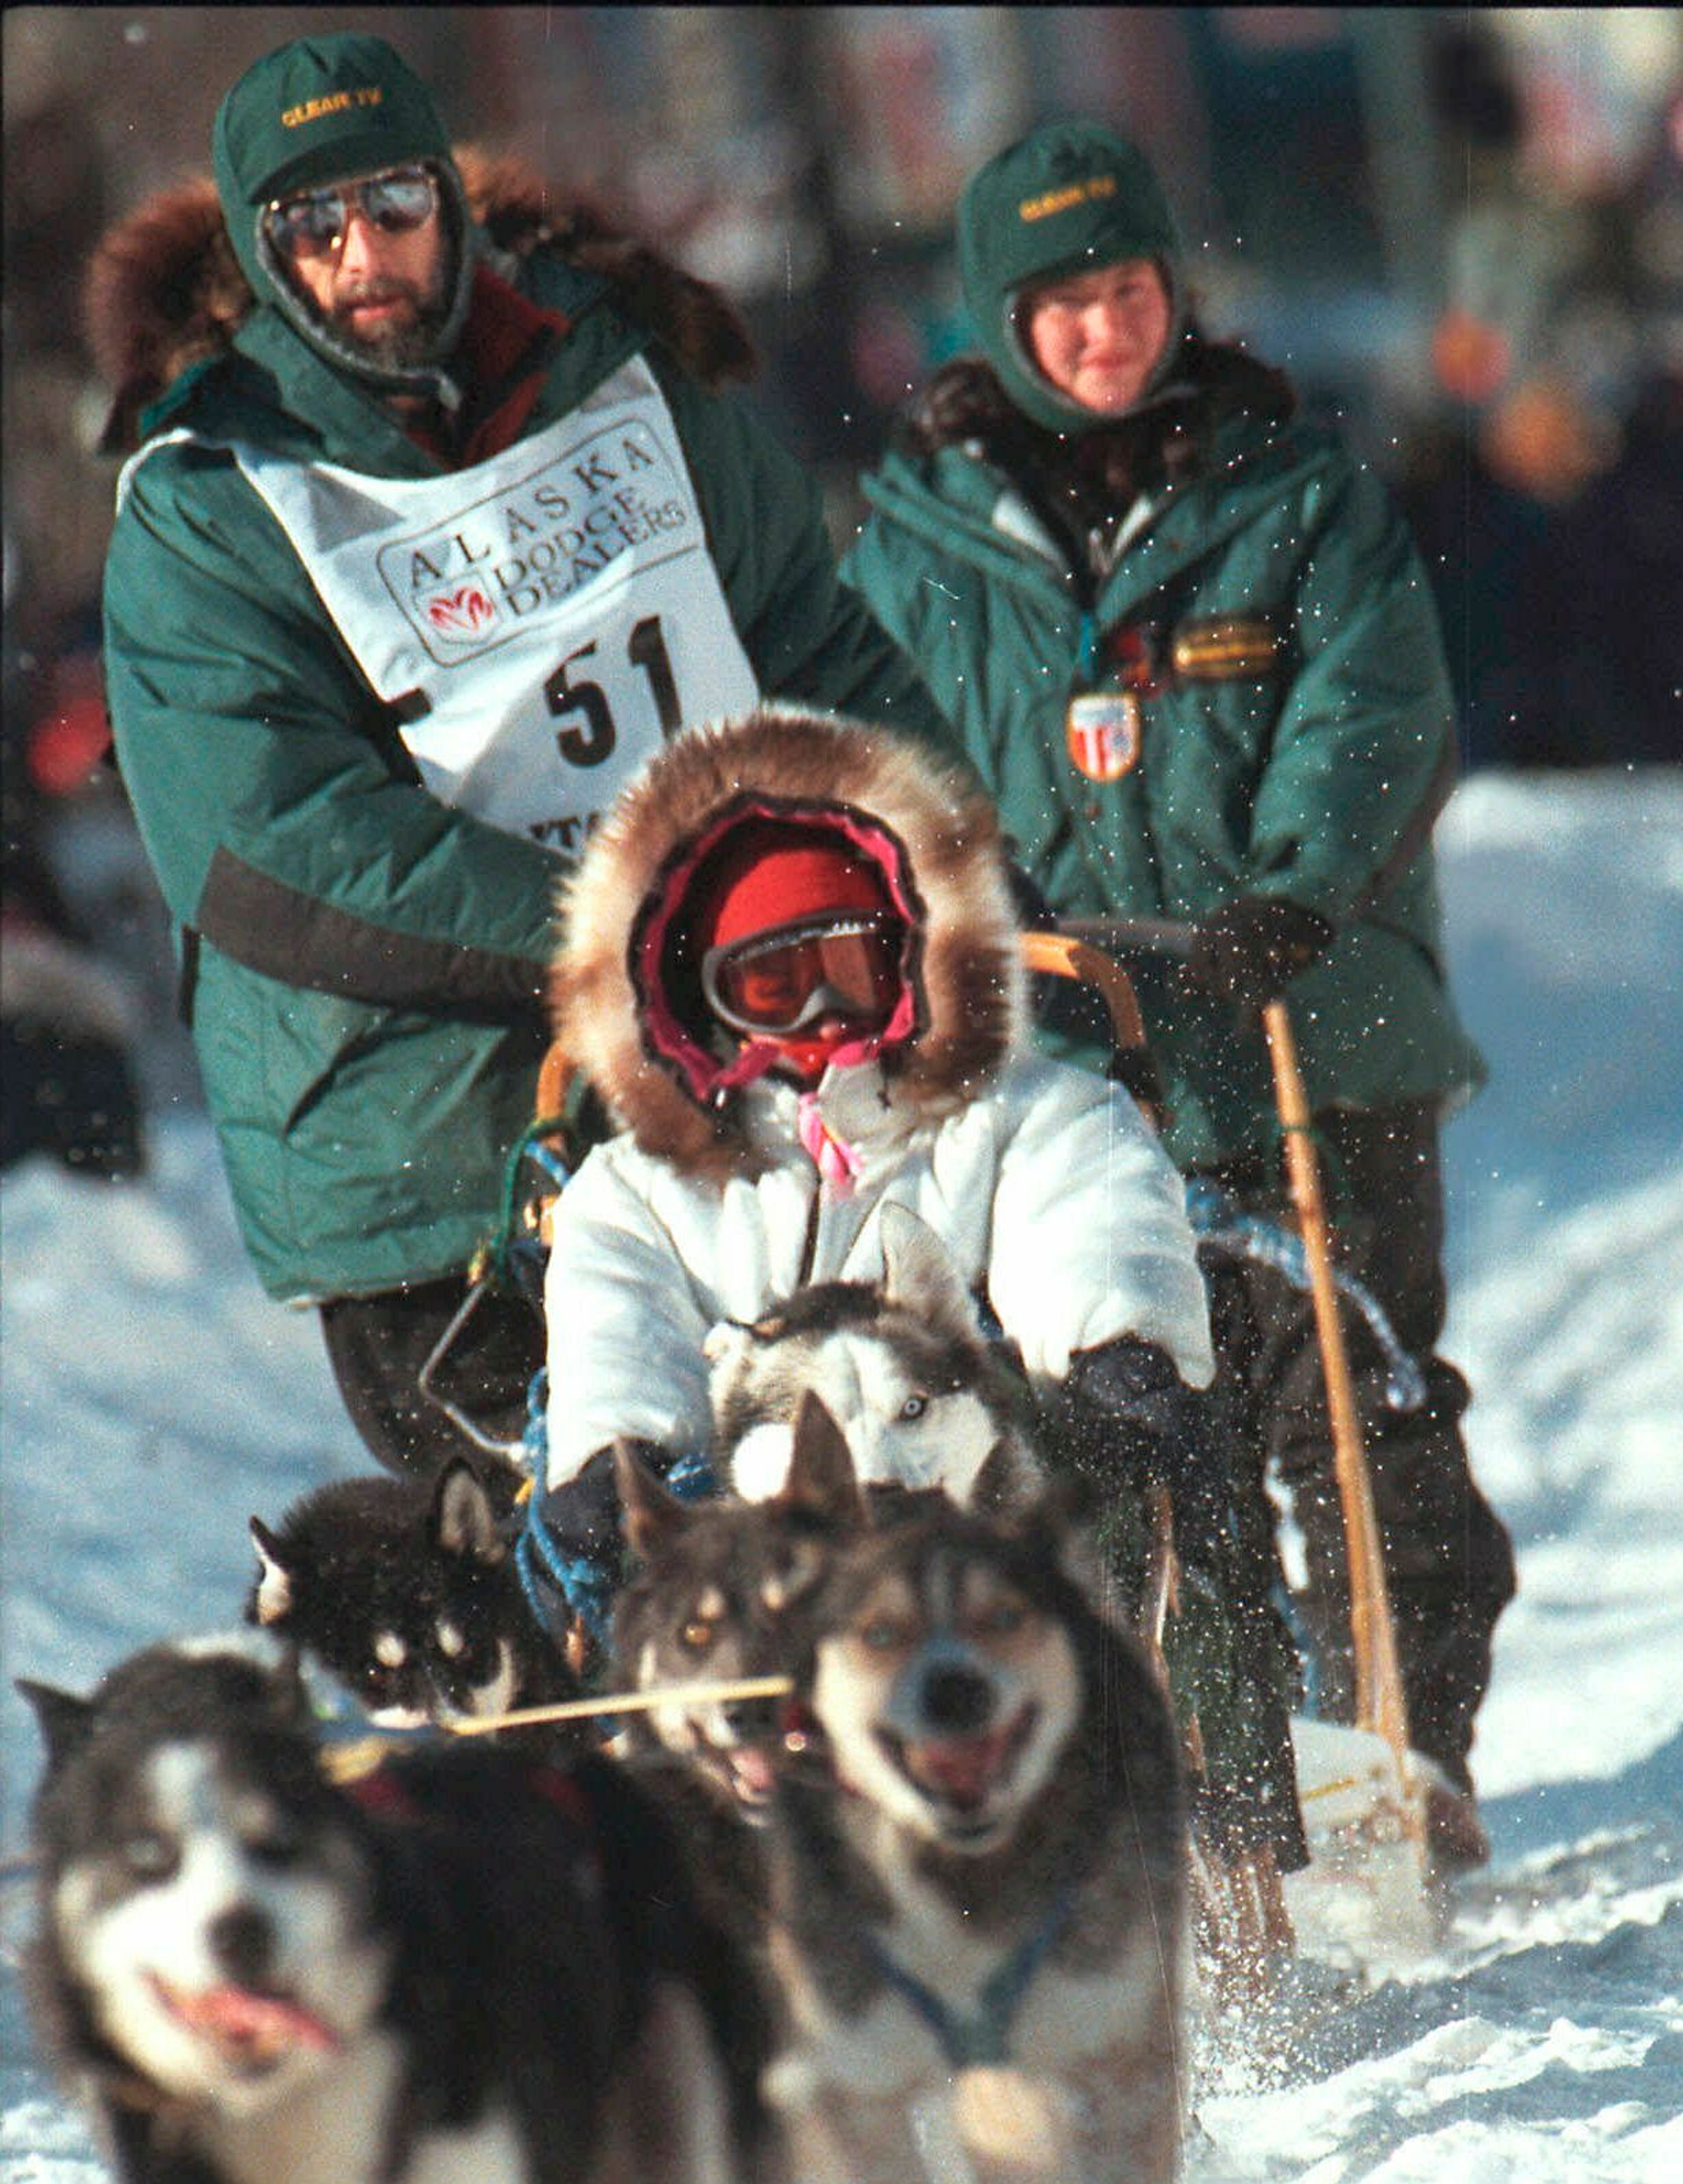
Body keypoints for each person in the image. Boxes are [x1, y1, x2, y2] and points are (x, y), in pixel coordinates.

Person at [85, 29, 965, 1491]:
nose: (361, 252)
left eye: (392, 205)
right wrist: (625, 934)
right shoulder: (210, 503)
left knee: (847, 1547)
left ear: (452, 201)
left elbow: (814, 650)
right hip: (439, 1159)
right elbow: (272, 851)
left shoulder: (626, 383)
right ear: (261, 250)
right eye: (311, 227)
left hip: (751, 1079)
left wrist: (949, 863)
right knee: (597, 1633)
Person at [842, 119, 1516, 1856]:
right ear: (1001, 317)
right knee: (1163, 1444)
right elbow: (884, 767)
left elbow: (1378, 705)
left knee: (1363, 1416)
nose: (1102, 329)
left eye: (1129, 287)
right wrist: (974, 926)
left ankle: (1404, 1745)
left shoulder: (1290, 487)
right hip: (1077, 1066)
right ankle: (1239, 1781)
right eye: (1060, 302)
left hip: (1318, 1018)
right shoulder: (914, 542)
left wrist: (1292, 885)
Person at [533, 701, 1303, 1871]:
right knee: (612, 1578)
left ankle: (1180, 1823)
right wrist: (617, 1450)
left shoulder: (1008, 1109)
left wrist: (1112, 1335)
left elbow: (1081, 1207)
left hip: (986, 1501)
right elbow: (616, 1318)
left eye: (848, 960)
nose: (819, 1010)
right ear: (706, 1001)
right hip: (767, 1548)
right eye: (772, 981)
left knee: (1163, 1480)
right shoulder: (645, 1186)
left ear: (906, 951)